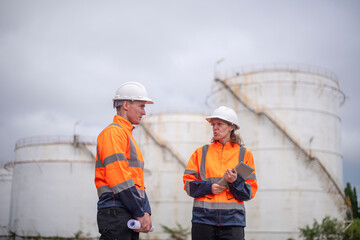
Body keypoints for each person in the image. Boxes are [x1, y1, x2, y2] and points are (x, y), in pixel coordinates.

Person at [183, 106, 258, 240]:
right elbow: (189, 186)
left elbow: (249, 193)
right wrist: (209, 187)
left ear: (231, 127)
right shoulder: (200, 153)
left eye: (219, 124)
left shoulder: (245, 154)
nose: (215, 128)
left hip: (233, 222)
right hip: (203, 221)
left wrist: (235, 181)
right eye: (213, 124)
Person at [94, 82, 153, 240]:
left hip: (127, 209)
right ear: (126, 105)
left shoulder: (127, 136)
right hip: (116, 210)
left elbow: (136, 181)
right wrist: (140, 211)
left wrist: (145, 210)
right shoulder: (114, 133)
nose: (144, 112)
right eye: (141, 106)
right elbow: (119, 177)